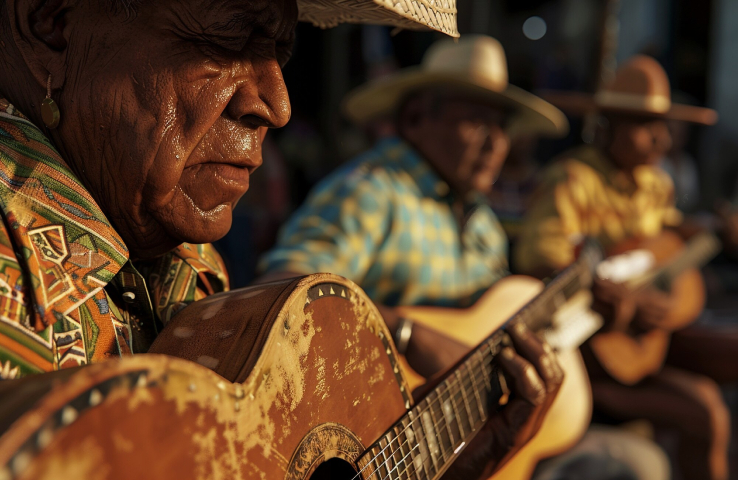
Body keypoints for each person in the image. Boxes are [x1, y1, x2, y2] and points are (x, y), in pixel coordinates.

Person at [0, 1, 560, 477]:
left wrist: (450, 464)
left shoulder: (189, 259)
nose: (277, 105)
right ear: (51, 22)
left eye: (280, 53)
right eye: (227, 38)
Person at [258, 36, 669, 479]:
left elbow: (499, 320)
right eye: (477, 121)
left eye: (504, 128)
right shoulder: (371, 191)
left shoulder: (483, 223)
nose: (496, 143)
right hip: (381, 448)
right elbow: (281, 289)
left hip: (463, 441)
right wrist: (411, 335)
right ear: (415, 118)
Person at [516, 55, 729, 480]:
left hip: (637, 344)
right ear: (608, 125)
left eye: (663, 127)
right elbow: (539, 260)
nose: (660, 141)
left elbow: (665, 241)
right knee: (705, 409)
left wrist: (715, 230)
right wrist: (602, 290)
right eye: (645, 126)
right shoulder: (572, 180)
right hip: (585, 357)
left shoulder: (657, 184)